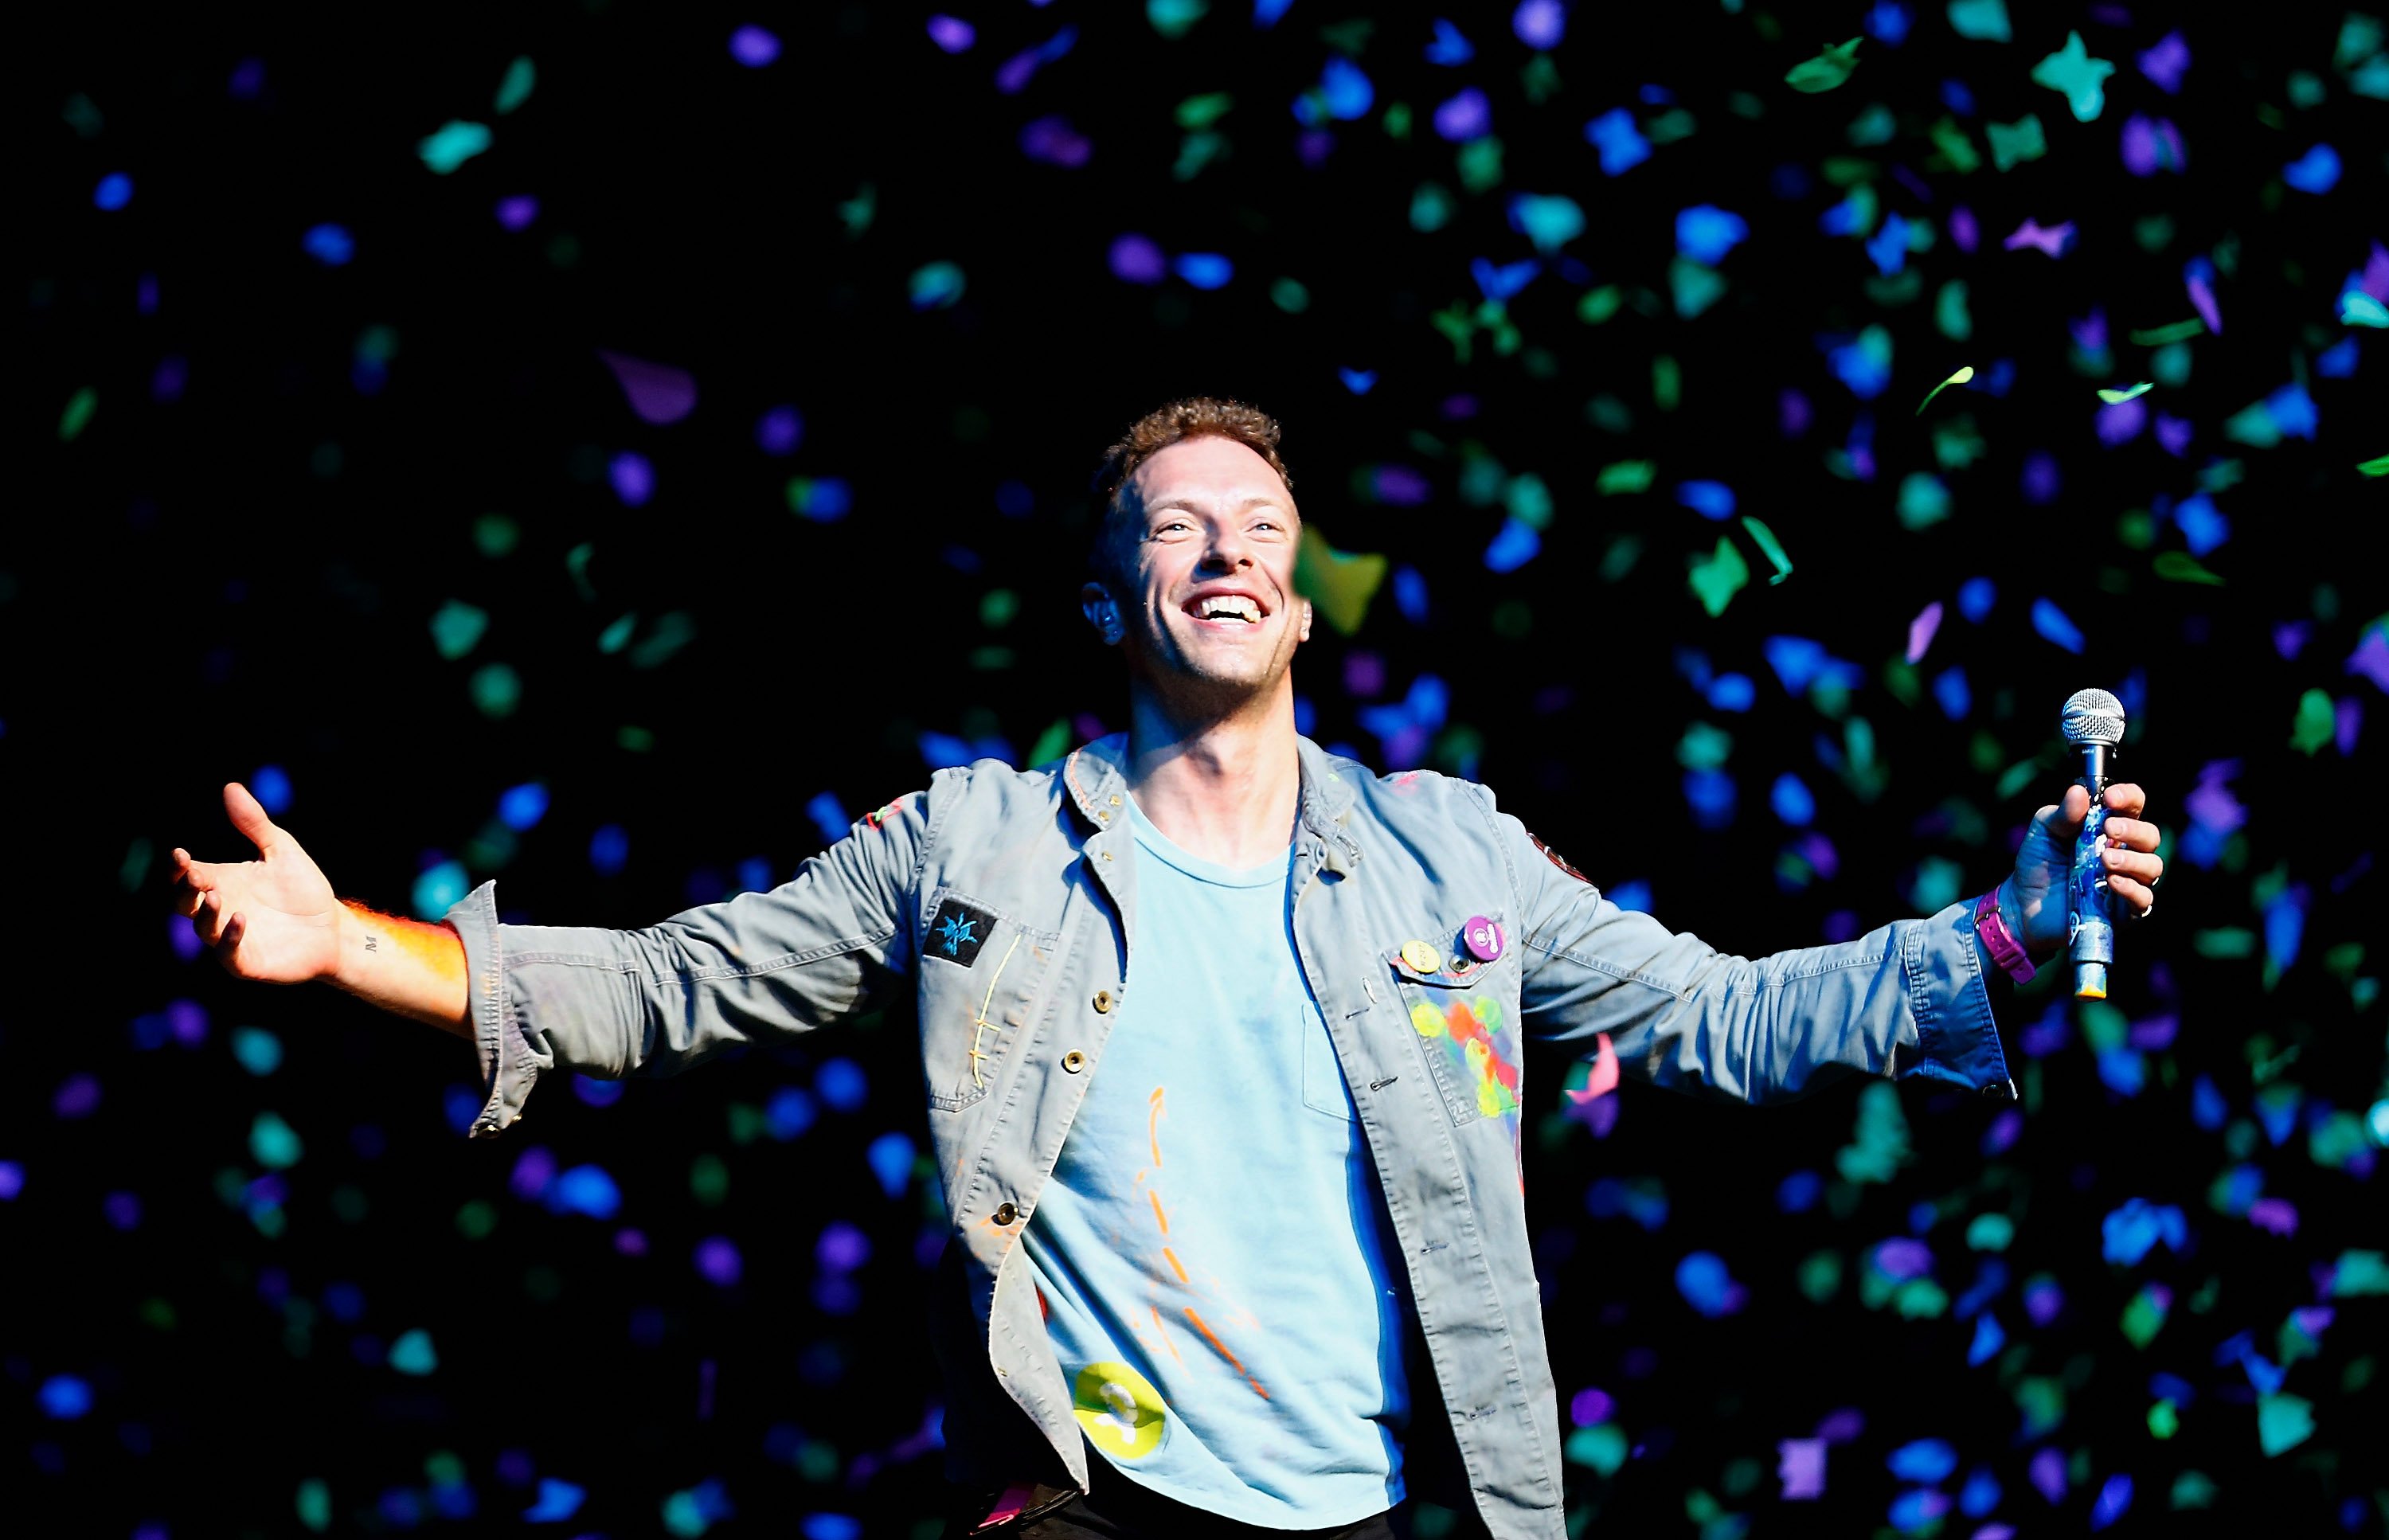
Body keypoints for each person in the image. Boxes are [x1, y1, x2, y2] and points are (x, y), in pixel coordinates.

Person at [171, 397, 2163, 1539]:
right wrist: (340, 940)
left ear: (1296, 601)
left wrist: (1992, 928)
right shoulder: (969, 844)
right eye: (1177, 524)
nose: (1226, 549)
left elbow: (1716, 1013)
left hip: (1410, 1503)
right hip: (1100, 1501)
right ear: (1117, 591)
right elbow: (679, 984)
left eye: (1262, 527)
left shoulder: (1445, 847)